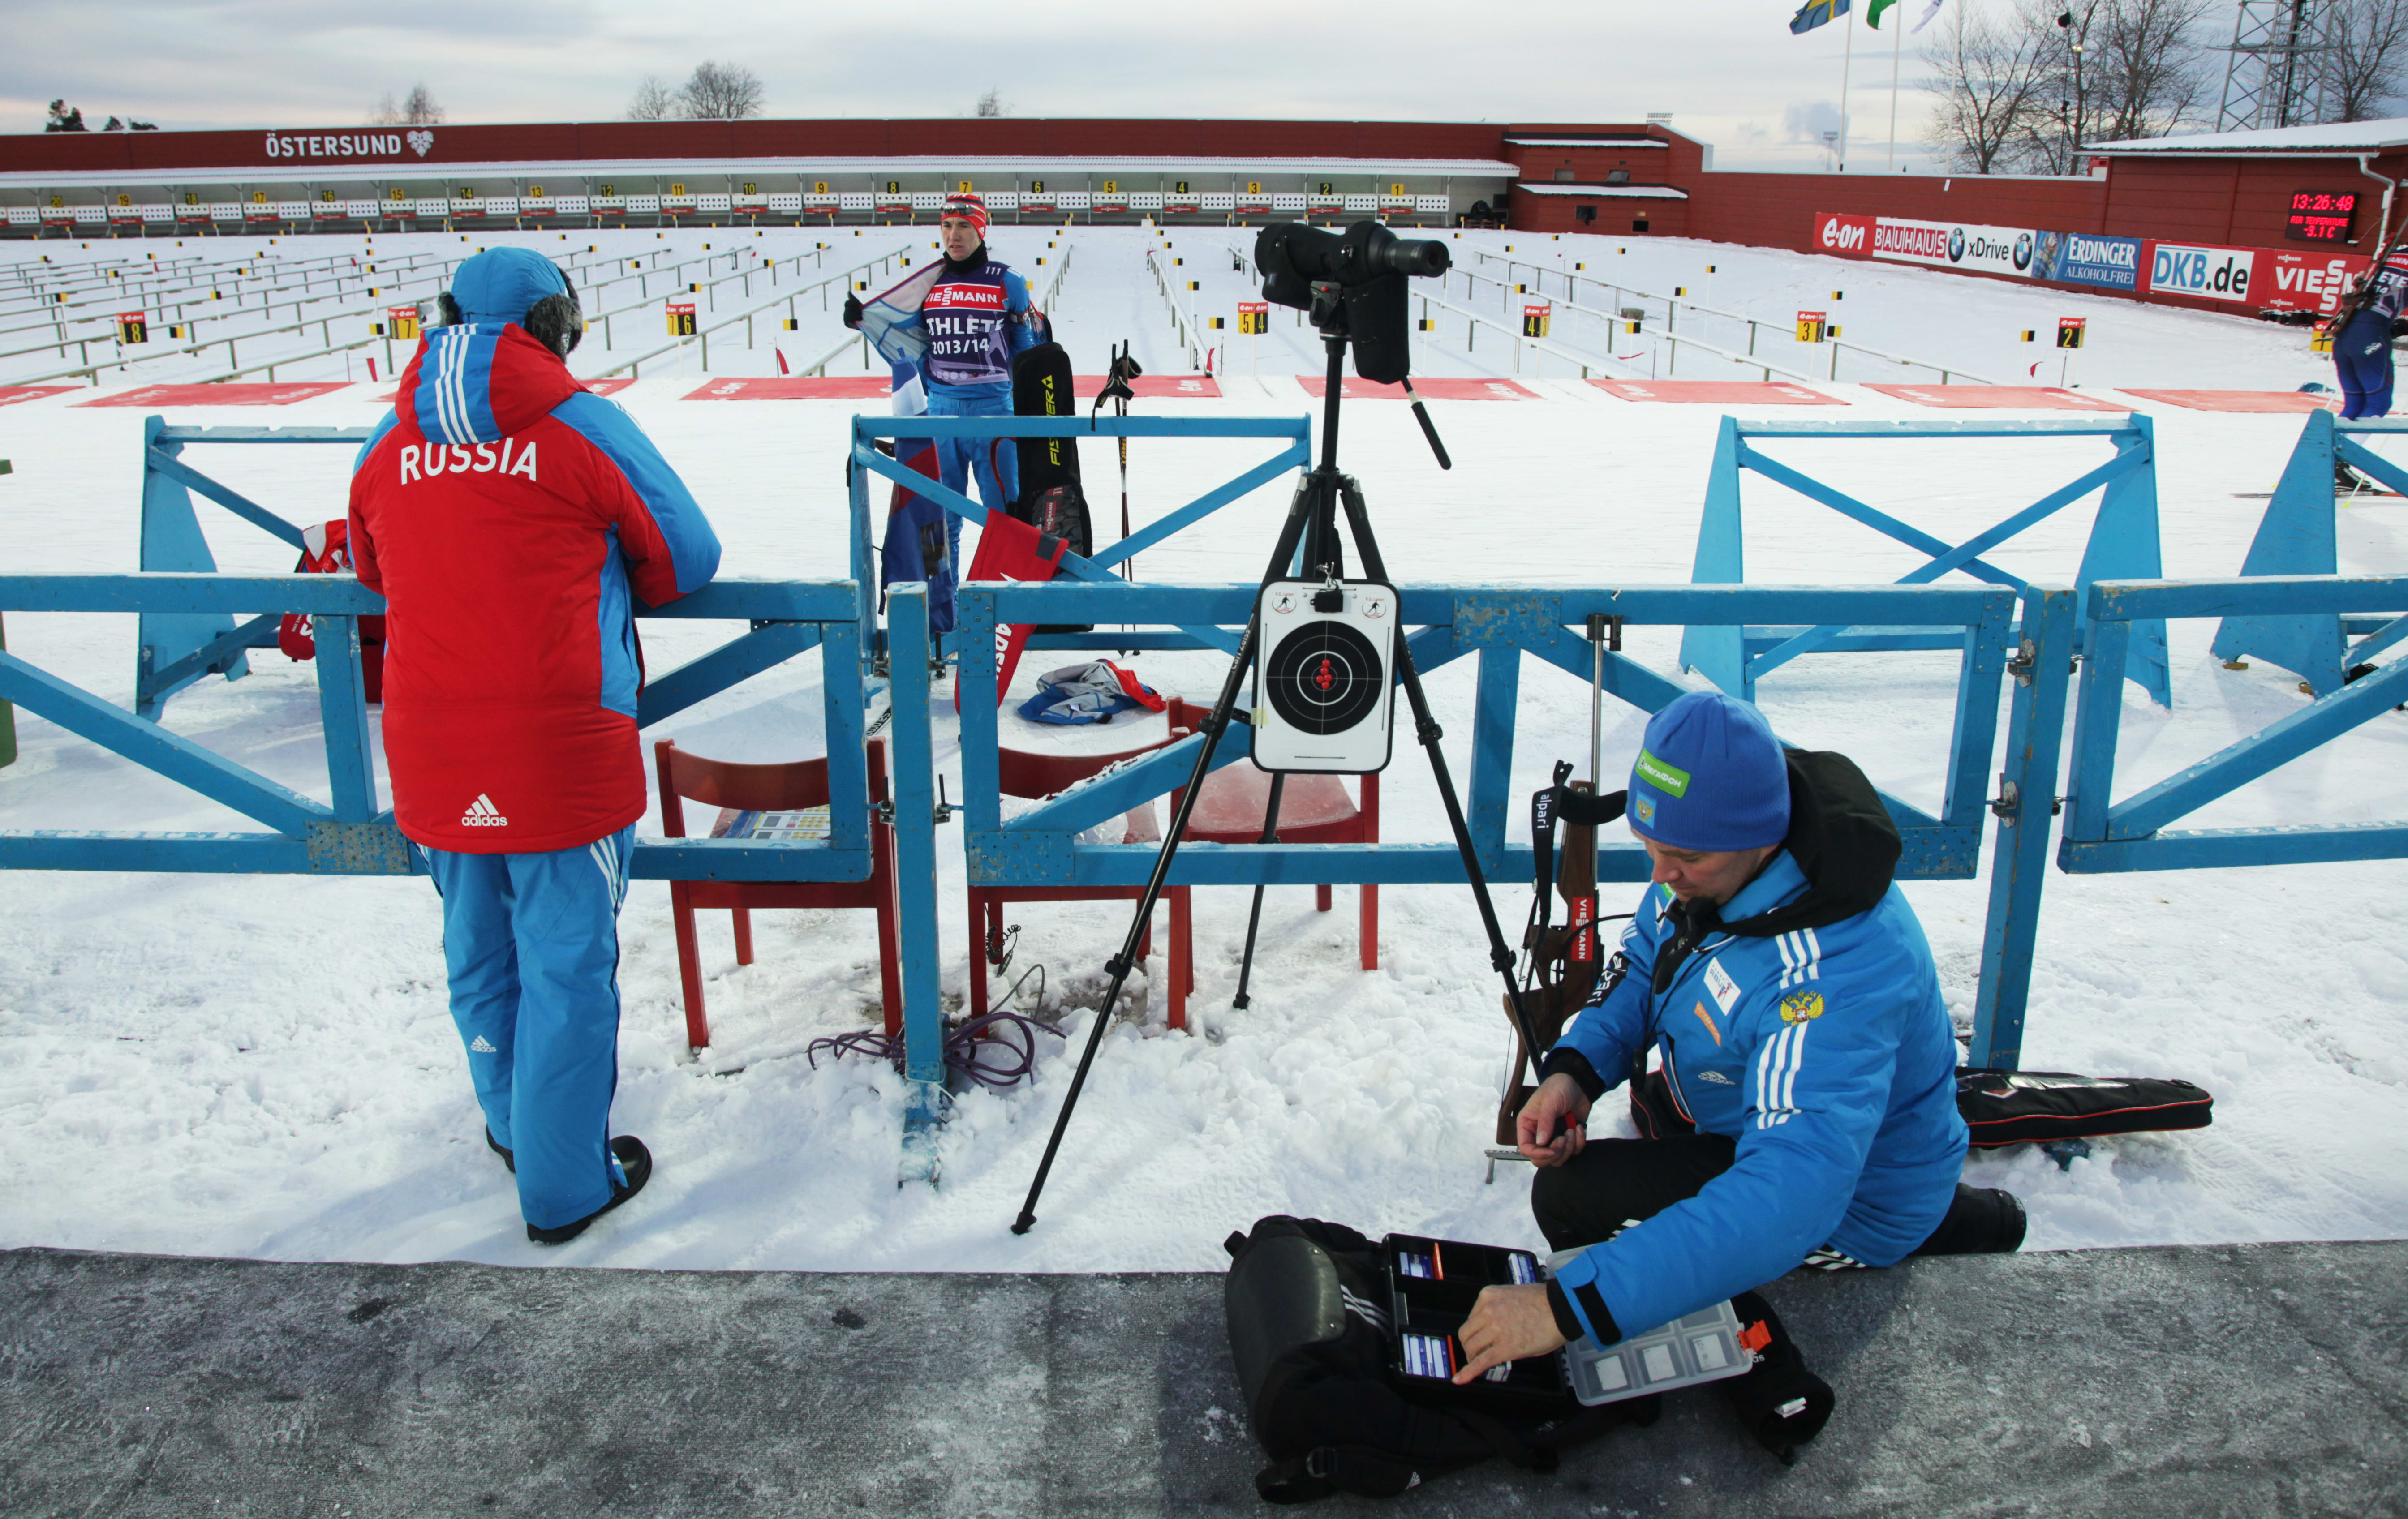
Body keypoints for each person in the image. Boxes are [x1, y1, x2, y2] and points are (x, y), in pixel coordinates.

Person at [1451, 691, 2023, 1385]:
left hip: (1842, 1205)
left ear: (1764, 836)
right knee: (1632, 1153)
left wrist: (1569, 1308)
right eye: (1650, 846)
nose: (1660, 875)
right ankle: (1966, 1218)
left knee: (1570, 1199)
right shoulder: (1715, 861)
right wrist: (1578, 1069)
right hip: (1773, 1124)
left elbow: (1790, 1196)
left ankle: (1916, 1224)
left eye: (1683, 856)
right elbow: (1646, 956)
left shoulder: (1834, 972)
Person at [347, 247, 722, 1245]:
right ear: (558, 327)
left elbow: (372, 566)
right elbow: (687, 558)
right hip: (559, 748)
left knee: (478, 949)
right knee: (567, 965)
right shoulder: (580, 423)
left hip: (432, 744)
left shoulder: (391, 436)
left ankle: (514, 1125)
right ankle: (563, 1188)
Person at [844, 192, 1040, 570]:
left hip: (995, 415)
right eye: (947, 226)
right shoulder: (929, 283)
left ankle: (1005, 600)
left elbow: (1025, 348)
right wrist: (863, 320)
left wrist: (1029, 404)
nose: (954, 235)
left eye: (965, 226)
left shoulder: (1009, 280)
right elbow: (909, 340)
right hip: (940, 414)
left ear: (981, 231)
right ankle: (941, 599)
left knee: (1006, 517)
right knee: (937, 521)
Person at [2334, 240, 2408, 421]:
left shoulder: (2393, 252)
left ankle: (2327, 440)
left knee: (2354, 405)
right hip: (2371, 335)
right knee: (2378, 404)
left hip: (2345, 332)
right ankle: (2343, 441)